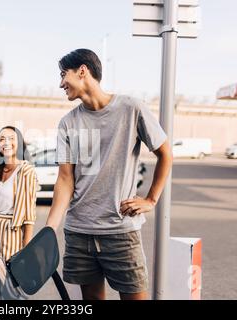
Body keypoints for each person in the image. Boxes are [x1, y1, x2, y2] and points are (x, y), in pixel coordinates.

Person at [45, 49, 173, 300]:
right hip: (79, 232)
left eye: (63, 75)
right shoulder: (67, 123)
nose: (60, 83)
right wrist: (50, 228)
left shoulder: (131, 108)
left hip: (120, 231)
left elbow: (165, 154)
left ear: (82, 71)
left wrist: (150, 200)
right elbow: (65, 179)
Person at [0, 126, 38, 261]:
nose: (6, 142)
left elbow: (29, 216)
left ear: (20, 143)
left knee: (6, 279)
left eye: (11, 138)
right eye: (2, 139)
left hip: (9, 235)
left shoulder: (25, 171)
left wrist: (26, 251)